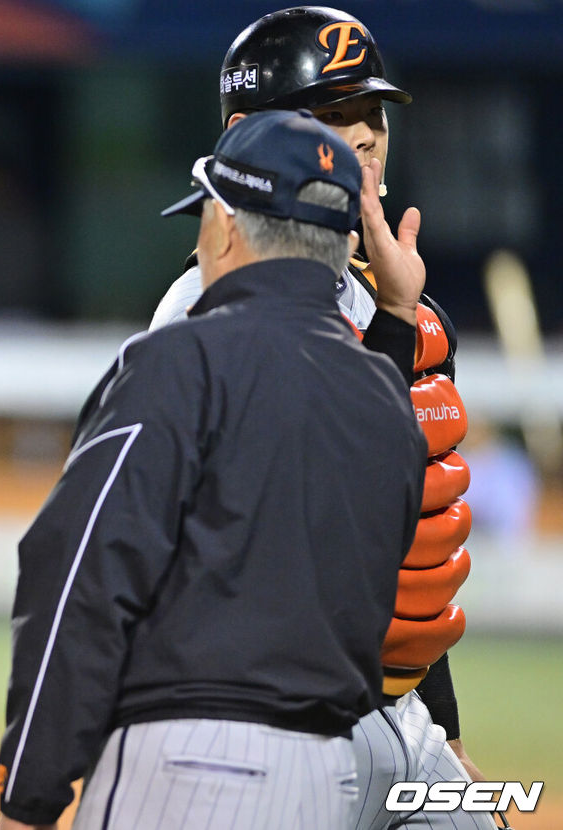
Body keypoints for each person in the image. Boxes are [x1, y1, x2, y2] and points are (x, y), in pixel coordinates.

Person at [0, 109, 429, 830]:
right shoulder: (388, 401)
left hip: (186, 767)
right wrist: (397, 314)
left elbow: (78, 574)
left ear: (226, 229)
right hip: (326, 780)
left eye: (203, 216)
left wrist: (29, 791)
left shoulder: (178, 362)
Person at [148, 7, 498, 829]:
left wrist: (442, 727)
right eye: (333, 114)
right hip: (275, 716)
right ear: (246, 137)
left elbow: (408, 551)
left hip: (397, 714)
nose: (366, 135)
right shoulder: (205, 312)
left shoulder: (401, 302)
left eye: (373, 112)